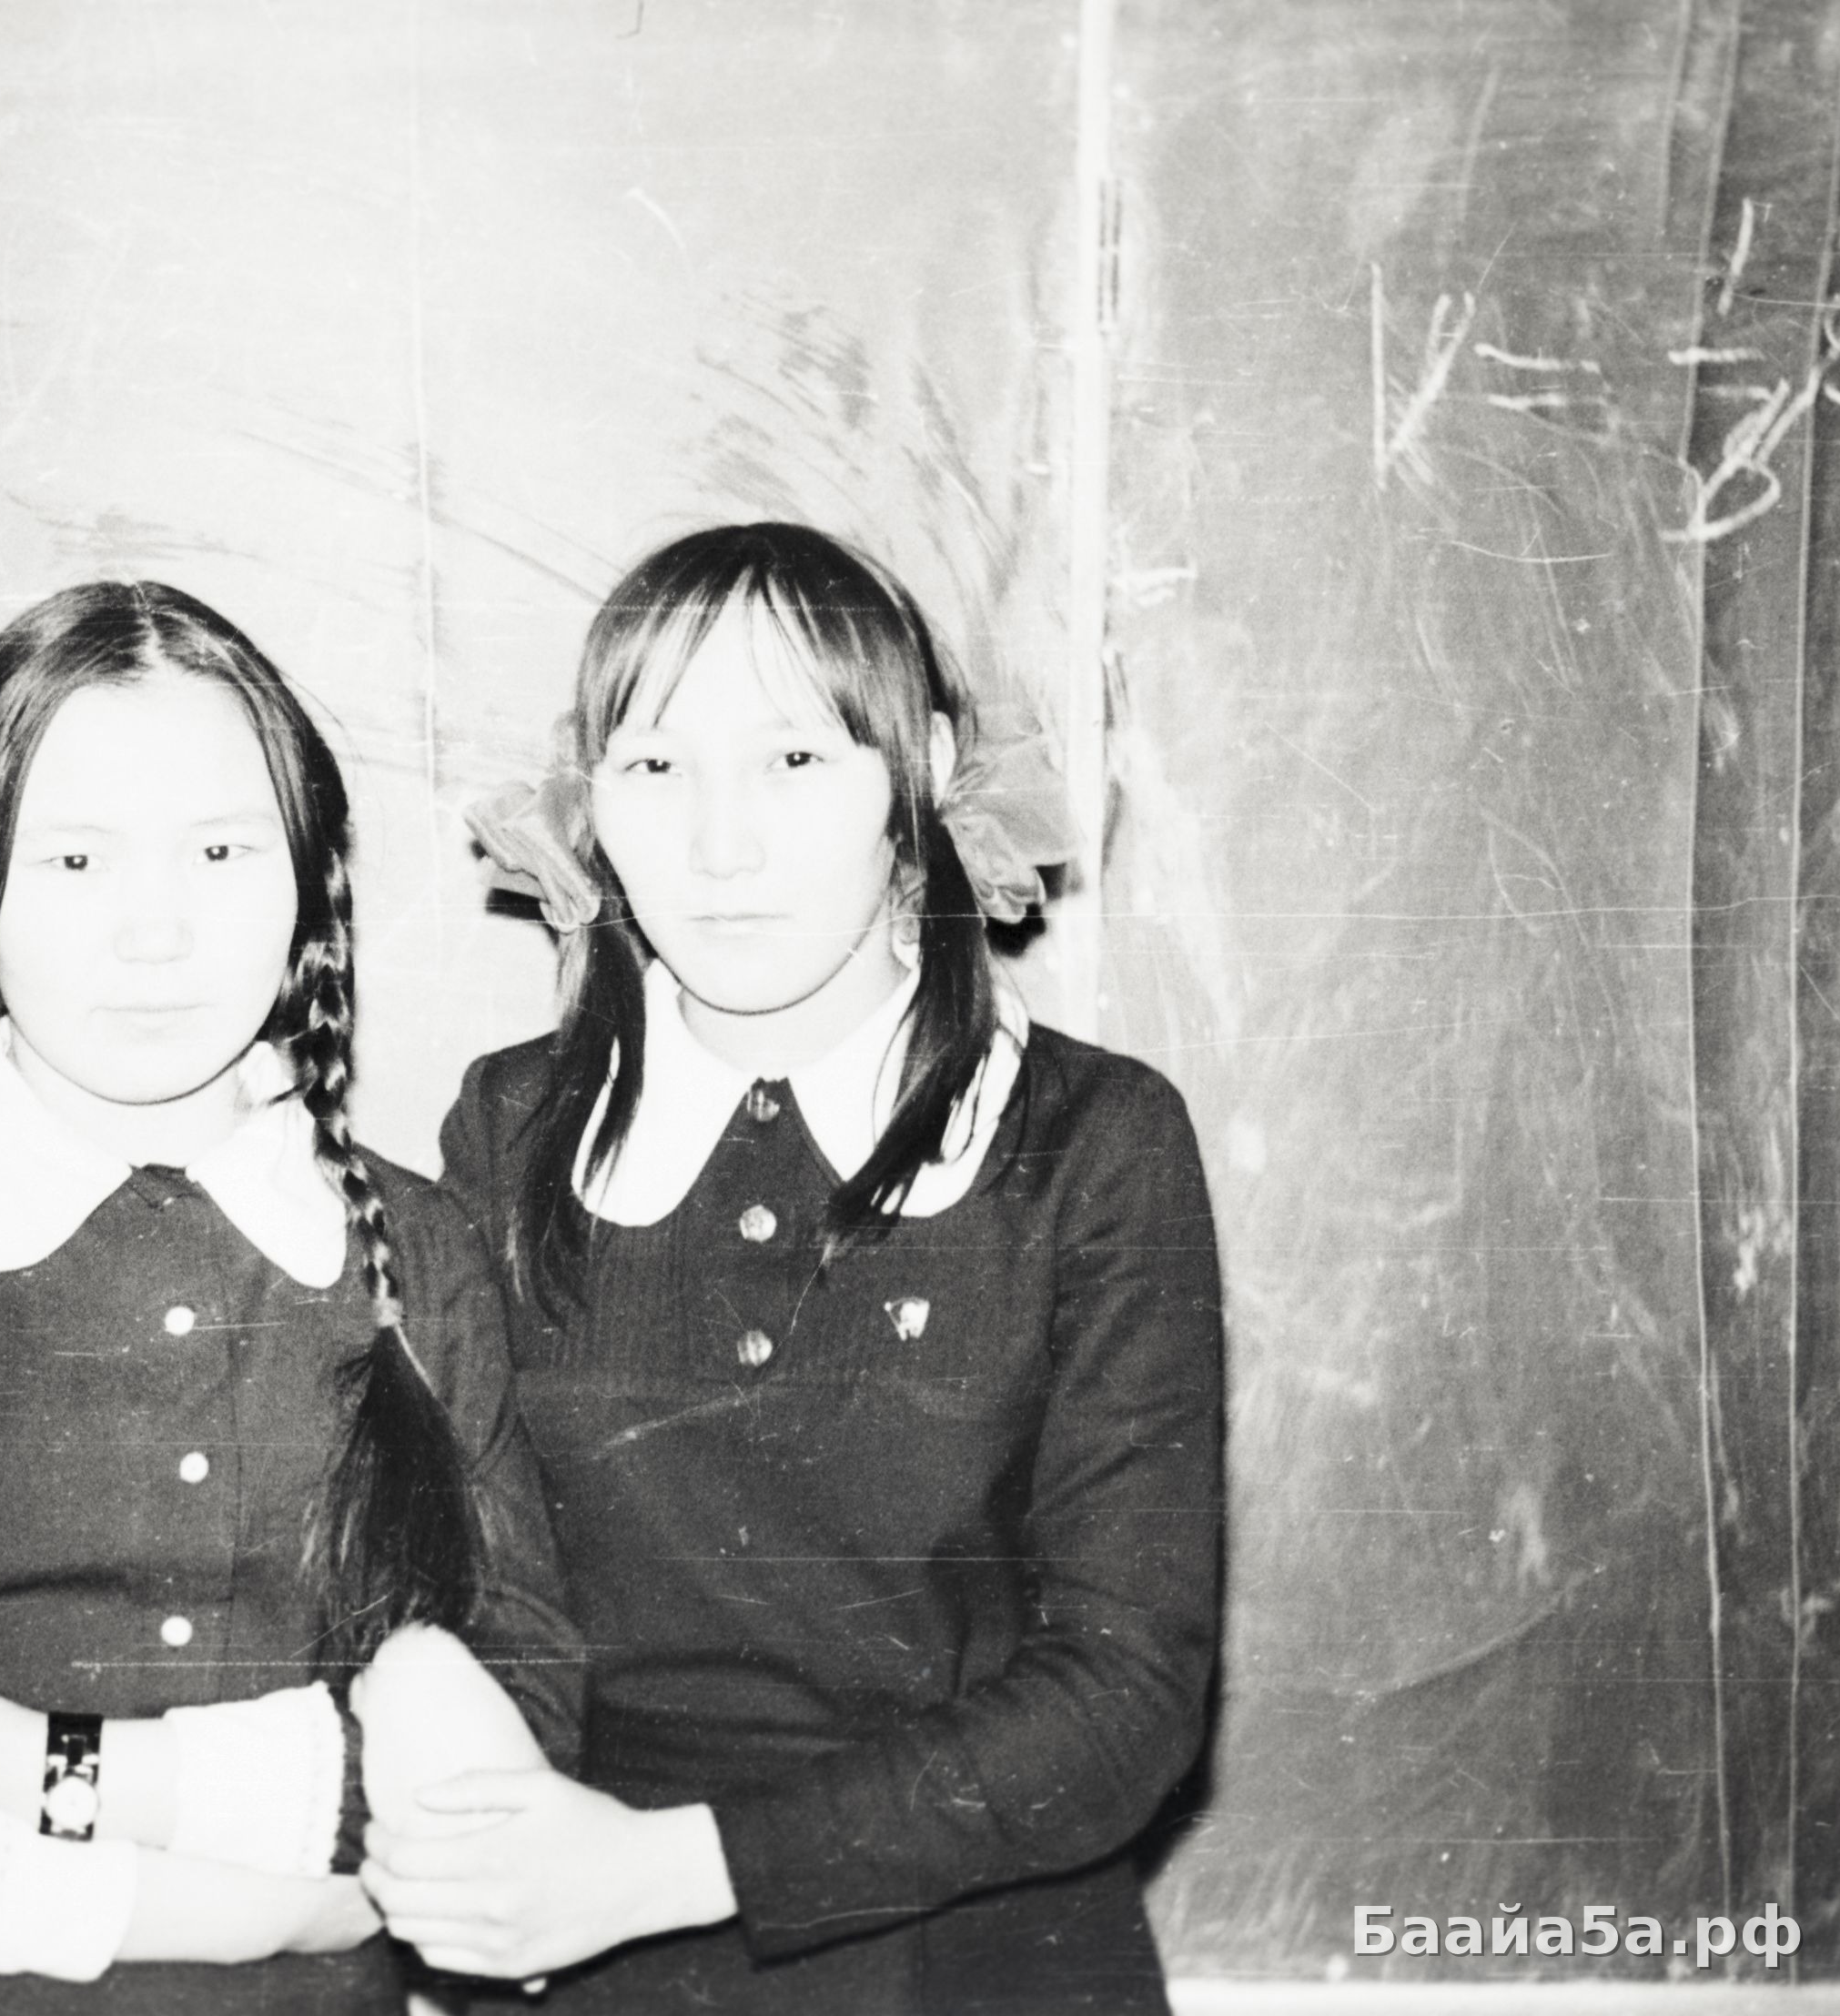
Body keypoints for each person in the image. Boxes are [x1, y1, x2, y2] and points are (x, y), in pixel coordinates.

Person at [0, 580, 580, 2014]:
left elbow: (517, 1746)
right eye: (75, 859)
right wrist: (255, 1908)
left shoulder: (415, 1253)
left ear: (308, 887)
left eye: (220, 850)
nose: (156, 932)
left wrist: (35, 1764)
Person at [366, 522, 1223, 2011]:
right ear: (590, 802)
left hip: (975, 1950)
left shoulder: (1089, 1140)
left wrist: (668, 1870)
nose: (722, 846)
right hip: (589, 1955)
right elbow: (462, 1593)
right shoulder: (511, 1129)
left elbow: (1125, 1697)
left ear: (919, 773)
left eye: (794, 760)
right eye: (654, 766)